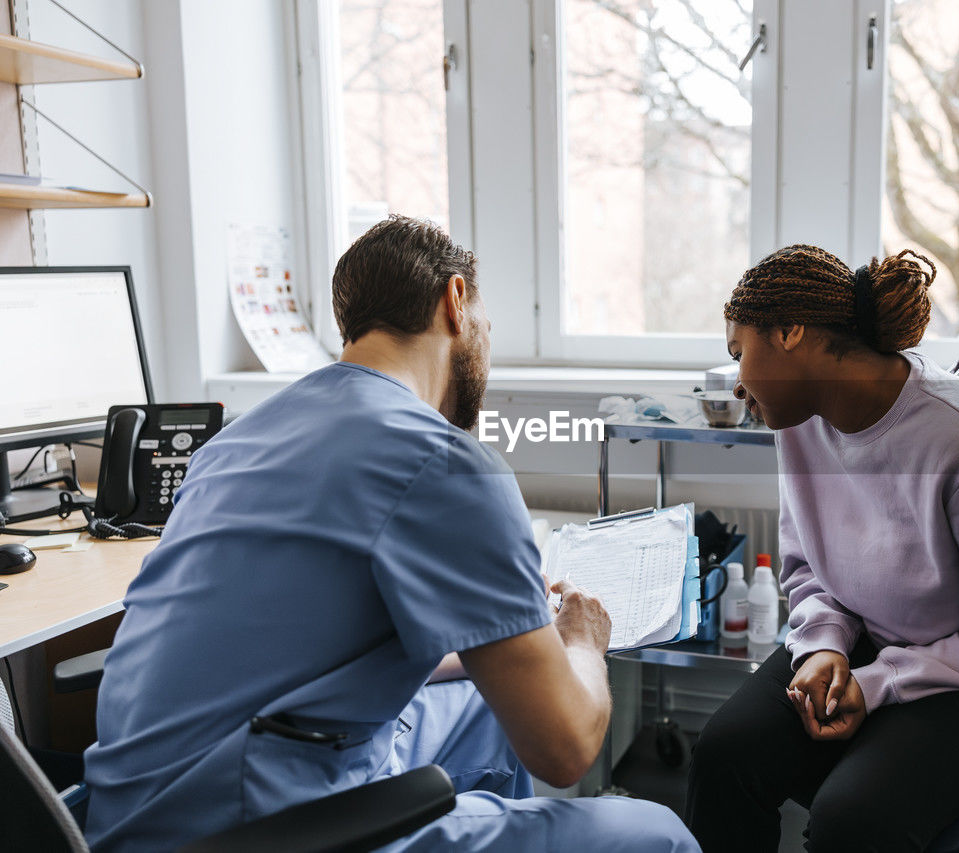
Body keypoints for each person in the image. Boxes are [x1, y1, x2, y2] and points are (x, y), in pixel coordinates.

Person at [83, 216, 698, 853]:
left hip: (135, 812)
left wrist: (503, 643)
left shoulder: (234, 442)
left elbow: (308, 646)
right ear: (456, 300)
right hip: (255, 827)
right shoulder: (445, 460)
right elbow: (566, 749)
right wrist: (581, 643)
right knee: (660, 836)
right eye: (486, 319)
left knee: (492, 712)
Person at [684, 244, 959, 853]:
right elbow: (808, 568)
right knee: (724, 758)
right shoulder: (801, 419)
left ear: (791, 332)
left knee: (854, 821)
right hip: (878, 637)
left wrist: (878, 683)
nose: (739, 382)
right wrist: (821, 646)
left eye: (739, 353)